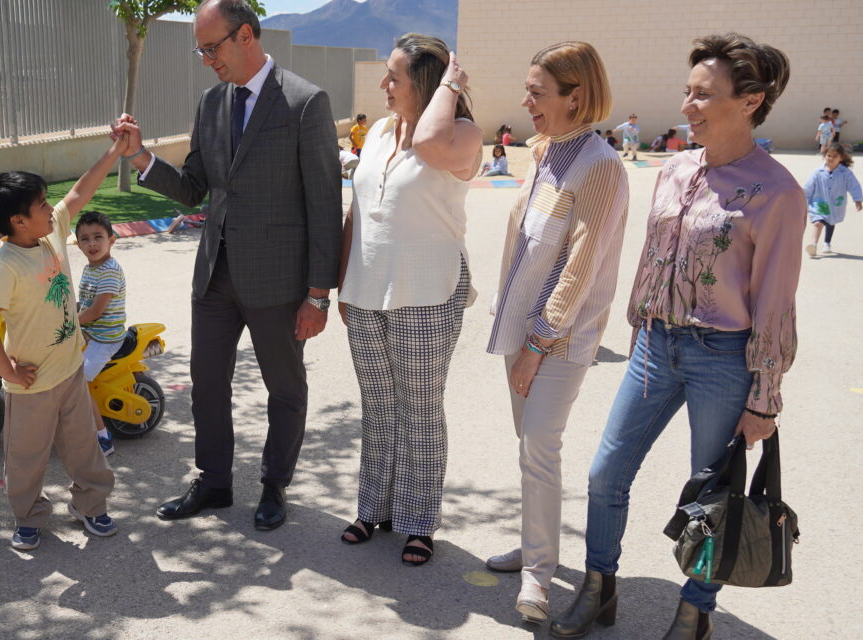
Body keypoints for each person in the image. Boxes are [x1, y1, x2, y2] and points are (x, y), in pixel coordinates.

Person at [552, 33, 803, 640]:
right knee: (606, 473)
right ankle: (598, 587)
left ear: (750, 101)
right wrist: (639, 325)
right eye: (686, 93)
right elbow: (649, 255)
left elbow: (775, 303)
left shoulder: (778, 192)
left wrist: (763, 397)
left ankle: (696, 612)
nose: (688, 106)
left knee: (712, 501)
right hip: (653, 348)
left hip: (723, 358)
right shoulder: (674, 169)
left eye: (703, 95)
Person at [113, 0, 341, 532]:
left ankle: (274, 486)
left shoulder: (306, 103)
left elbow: (325, 207)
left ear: (245, 36)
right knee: (206, 383)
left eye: (210, 47)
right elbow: (195, 187)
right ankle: (214, 481)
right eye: (201, 49)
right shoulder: (211, 103)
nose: (205, 59)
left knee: (284, 388)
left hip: (280, 282)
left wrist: (318, 295)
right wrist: (142, 158)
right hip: (215, 274)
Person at [482, 41, 629, 624]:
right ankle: (536, 544)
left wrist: (538, 345)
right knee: (530, 449)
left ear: (576, 96)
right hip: (522, 330)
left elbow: (581, 265)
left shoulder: (601, 166)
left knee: (540, 447)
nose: (526, 102)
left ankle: (537, 576)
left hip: (557, 339)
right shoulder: (545, 151)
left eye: (538, 92)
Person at [335, 34, 481, 567]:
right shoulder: (376, 132)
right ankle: (374, 507)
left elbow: (431, 145)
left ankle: (418, 522)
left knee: (419, 409)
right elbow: (356, 209)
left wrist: (451, 86)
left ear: (426, 83)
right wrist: (343, 281)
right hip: (367, 290)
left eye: (394, 77)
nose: (383, 85)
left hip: (427, 293)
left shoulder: (460, 134)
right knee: (377, 406)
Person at [0, 137, 126, 552]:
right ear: (19, 221)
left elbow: (81, 191)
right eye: (41, 204)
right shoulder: (7, 265)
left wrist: (114, 151)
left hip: (70, 371)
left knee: (83, 448)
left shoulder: (52, 231)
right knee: (26, 458)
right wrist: (7, 372)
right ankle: (29, 517)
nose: (51, 207)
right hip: (30, 386)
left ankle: (91, 506)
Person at [75, 210, 127, 456]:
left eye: (98, 237)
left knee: (77, 382)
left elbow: (95, 311)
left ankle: (102, 437)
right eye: (85, 239)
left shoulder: (109, 270)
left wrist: (70, 322)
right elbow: (83, 303)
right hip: (91, 332)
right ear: (77, 244)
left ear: (112, 240)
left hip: (105, 338)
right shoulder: (90, 268)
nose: (92, 243)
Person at [803, 142, 863, 256]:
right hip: (820, 201)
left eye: (834, 156)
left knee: (831, 221)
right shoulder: (817, 173)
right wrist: (803, 202)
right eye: (828, 155)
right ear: (825, 156)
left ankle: (827, 243)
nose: (830, 158)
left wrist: (858, 200)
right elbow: (807, 188)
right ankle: (813, 244)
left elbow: (854, 186)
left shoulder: (845, 173)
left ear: (841, 158)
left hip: (836, 203)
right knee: (818, 221)